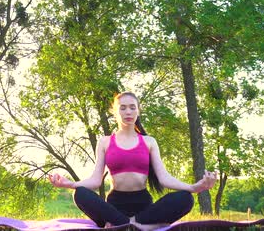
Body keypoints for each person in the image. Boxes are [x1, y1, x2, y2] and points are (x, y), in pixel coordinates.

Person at [48, 92, 217, 231]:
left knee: (186, 199)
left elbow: (164, 178)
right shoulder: (105, 142)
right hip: (114, 207)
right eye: (123, 108)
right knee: (80, 193)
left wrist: (194, 187)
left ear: (138, 111)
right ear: (116, 112)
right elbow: (95, 181)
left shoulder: (149, 141)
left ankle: (125, 226)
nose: (128, 112)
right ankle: (140, 226)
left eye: (132, 107)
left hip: (144, 206)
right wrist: (69, 184)